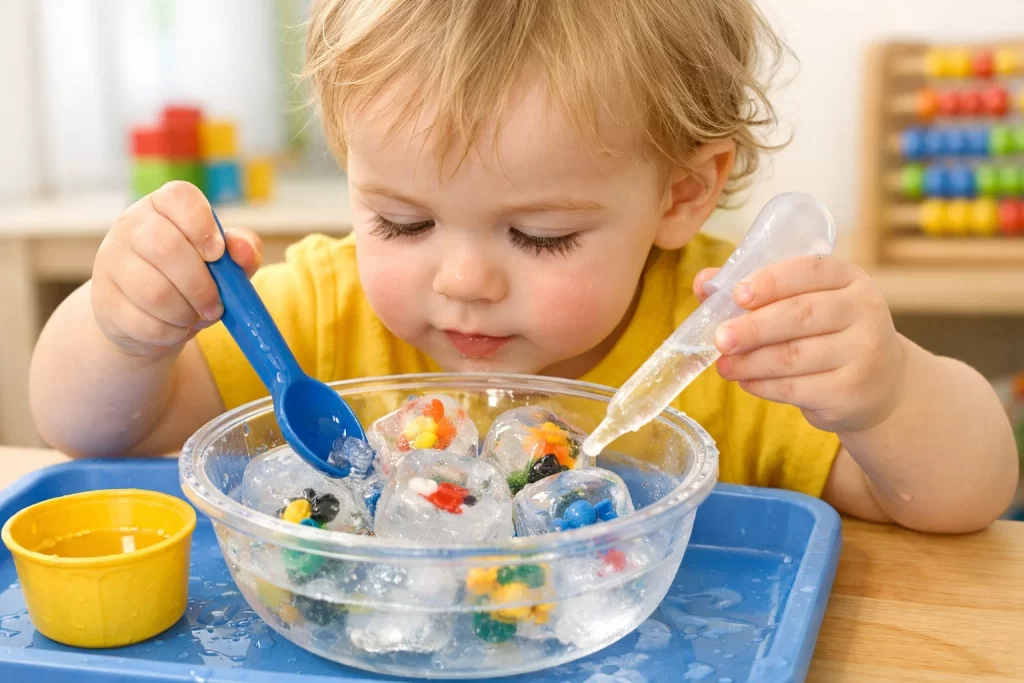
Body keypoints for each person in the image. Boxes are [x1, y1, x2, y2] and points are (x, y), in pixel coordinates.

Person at [29, 0, 1018, 533]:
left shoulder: (728, 335)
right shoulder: (317, 315)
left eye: (539, 234)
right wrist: (118, 327)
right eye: (401, 219)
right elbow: (90, 429)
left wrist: (887, 393)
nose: (461, 280)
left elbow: (966, 497)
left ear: (680, 192)